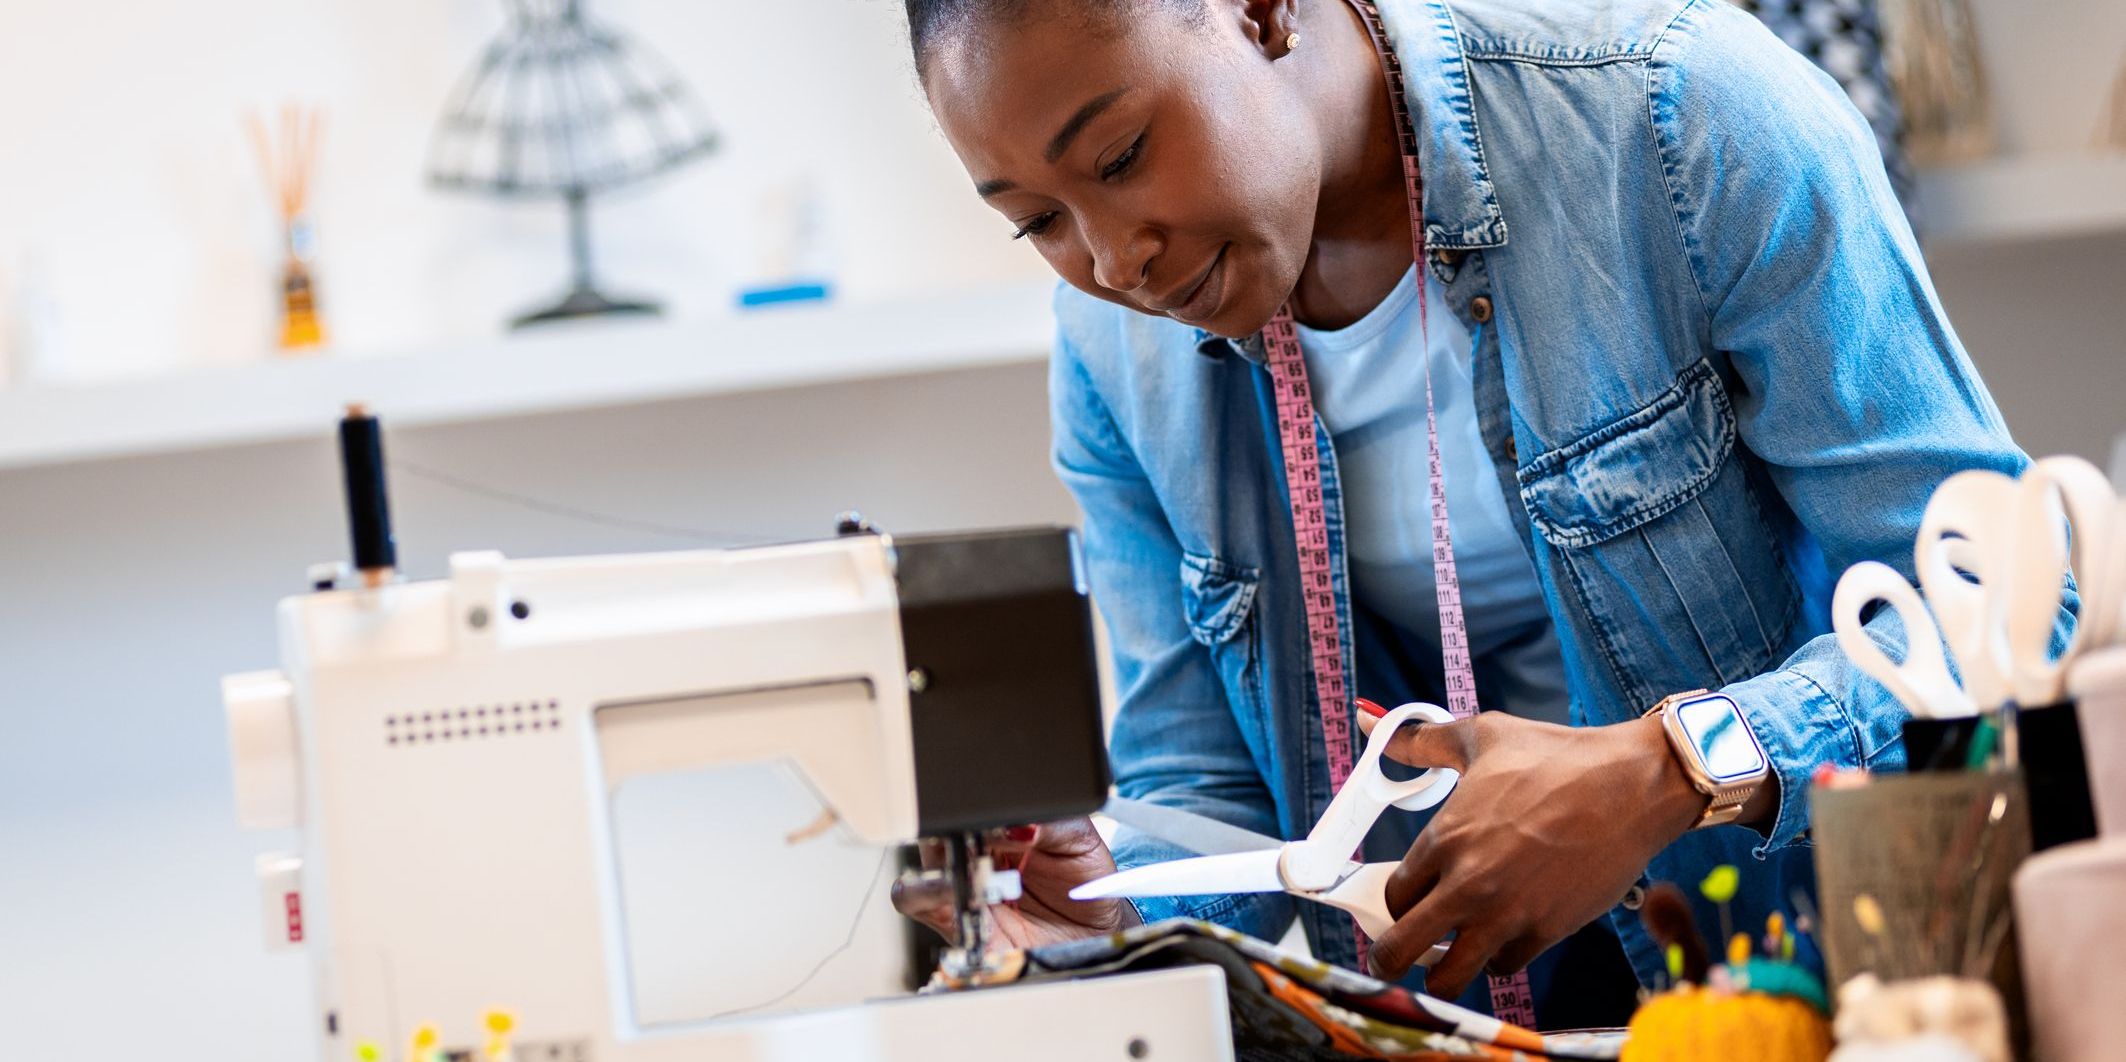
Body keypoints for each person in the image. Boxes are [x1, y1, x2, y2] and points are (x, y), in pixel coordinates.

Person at [890, 0, 2038, 1027]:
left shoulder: (1680, 121)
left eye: (1122, 154)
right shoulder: (1108, 357)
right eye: (1035, 219)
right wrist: (1100, 889)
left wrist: (1674, 767)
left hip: (1816, 991)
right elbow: (1206, 790)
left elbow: (2004, 599)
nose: (1112, 257)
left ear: (1259, 11)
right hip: (1454, 1016)